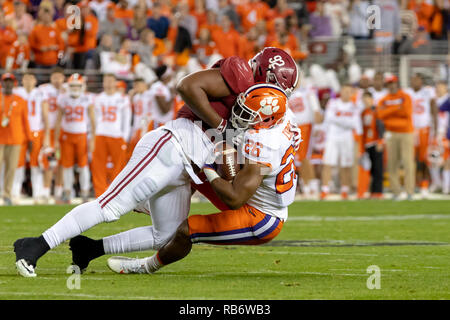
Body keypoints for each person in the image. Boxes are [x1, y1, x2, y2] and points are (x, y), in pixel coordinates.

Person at [13, 47, 300, 277]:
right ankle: (36, 244)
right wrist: (221, 127)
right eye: (272, 88)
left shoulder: (271, 116)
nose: (274, 100)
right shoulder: (239, 76)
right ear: (262, 75)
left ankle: (88, 249)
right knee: (111, 206)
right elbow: (187, 86)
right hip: (175, 145)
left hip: (194, 165)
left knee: (166, 236)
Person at [105, 85, 297, 274]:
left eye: (249, 115)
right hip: (252, 191)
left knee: (186, 231)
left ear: (268, 119)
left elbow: (234, 198)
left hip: (260, 215)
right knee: (191, 163)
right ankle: (151, 203)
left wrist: (209, 168)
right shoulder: (282, 119)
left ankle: (145, 266)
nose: (239, 116)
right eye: (242, 109)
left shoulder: (265, 144)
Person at [54, 73, 95, 204]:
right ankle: (67, 192)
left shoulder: (87, 98)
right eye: (73, 85)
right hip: (67, 135)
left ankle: (84, 192)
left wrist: (93, 138)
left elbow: (93, 120)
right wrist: (55, 140)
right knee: (67, 165)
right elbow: (58, 120)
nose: (75, 88)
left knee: (83, 165)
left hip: (82, 135)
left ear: (82, 86)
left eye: (78, 86)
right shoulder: (63, 98)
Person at [91, 74, 131, 197]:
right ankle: (100, 194)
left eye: (110, 81)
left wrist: (124, 137)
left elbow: (127, 119)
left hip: (116, 134)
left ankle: (116, 193)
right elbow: (93, 119)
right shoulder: (97, 98)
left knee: (119, 166)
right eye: (105, 81)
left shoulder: (123, 98)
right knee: (98, 165)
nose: (108, 83)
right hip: (100, 133)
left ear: (115, 83)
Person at [13, 73, 50, 203]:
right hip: (19, 132)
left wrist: (47, 137)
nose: (28, 81)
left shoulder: (40, 93)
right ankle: (14, 193)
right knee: (18, 164)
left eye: (30, 78)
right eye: (26, 78)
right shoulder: (17, 92)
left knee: (36, 164)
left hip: (36, 131)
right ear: (22, 80)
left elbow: (45, 115)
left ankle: (38, 194)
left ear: (35, 80)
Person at [321, 83, 362, 200]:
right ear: (341, 92)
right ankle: (325, 190)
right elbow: (329, 117)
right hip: (332, 136)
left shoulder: (354, 106)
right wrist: (345, 121)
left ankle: (345, 190)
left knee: (346, 165)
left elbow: (354, 124)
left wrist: (339, 119)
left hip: (347, 138)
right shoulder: (333, 103)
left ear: (352, 93)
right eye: (345, 91)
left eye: (349, 92)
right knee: (328, 163)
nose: (346, 94)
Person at [377, 75, 415, 200]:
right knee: (392, 163)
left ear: (397, 83)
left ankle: (409, 191)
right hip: (391, 133)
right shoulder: (384, 99)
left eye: (393, 83)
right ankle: (396, 191)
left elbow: (406, 112)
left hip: (406, 132)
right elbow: (380, 114)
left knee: (408, 162)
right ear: (386, 85)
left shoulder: (405, 96)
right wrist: (396, 109)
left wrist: (390, 111)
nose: (392, 85)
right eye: (389, 83)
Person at [404, 73, 438, 198]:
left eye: (417, 80)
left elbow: (434, 109)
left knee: (423, 159)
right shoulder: (406, 92)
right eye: (413, 79)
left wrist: (436, 128)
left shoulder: (428, 92)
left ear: (422, 81)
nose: (415, 82)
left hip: (425, 129)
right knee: (410, 159)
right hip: (411, 130)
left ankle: (424, 185)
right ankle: (411, 185)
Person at [0, 73, 30, 206]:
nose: (8, 84)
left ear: (14, 83)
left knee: (11, 169)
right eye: (5, 81)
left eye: (10, 81)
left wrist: (29, 139)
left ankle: (6, 194)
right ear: (2, 83)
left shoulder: (20, 100)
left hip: (16, 140)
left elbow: (25, 121)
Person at [288, 83, 321, 198]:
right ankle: (305, 185)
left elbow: (315, 106)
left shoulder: (306, 89)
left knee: (305, 157)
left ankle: (312, 186)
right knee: (297, 159)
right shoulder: (286, 93)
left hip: (306, 125)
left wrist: (317, 113)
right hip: (293, 127)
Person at [39, 67, 65, 200]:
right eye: (54, 77)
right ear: (50, 78)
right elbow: (43, 109)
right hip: (49, 128)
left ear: (63, 78)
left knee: (62, 161)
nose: (57, 80)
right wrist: (47, 131)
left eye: (59, 77)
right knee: (50, 159)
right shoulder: (44, 89)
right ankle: (46, 189)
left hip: (63, 130)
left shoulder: (67, 89)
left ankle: (59, 189)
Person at [357, 91, 384, 199]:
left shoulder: (376, 110)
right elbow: (362, 130)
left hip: (375, 142)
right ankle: (372, 191)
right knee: (370, 169)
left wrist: (380, 141)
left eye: (367, 98)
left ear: (372, 99)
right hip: (367, 144)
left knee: (378, 168)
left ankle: (378, 192)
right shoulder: (363, 112)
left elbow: (381, 126)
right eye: (364, 99)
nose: (366, 101)